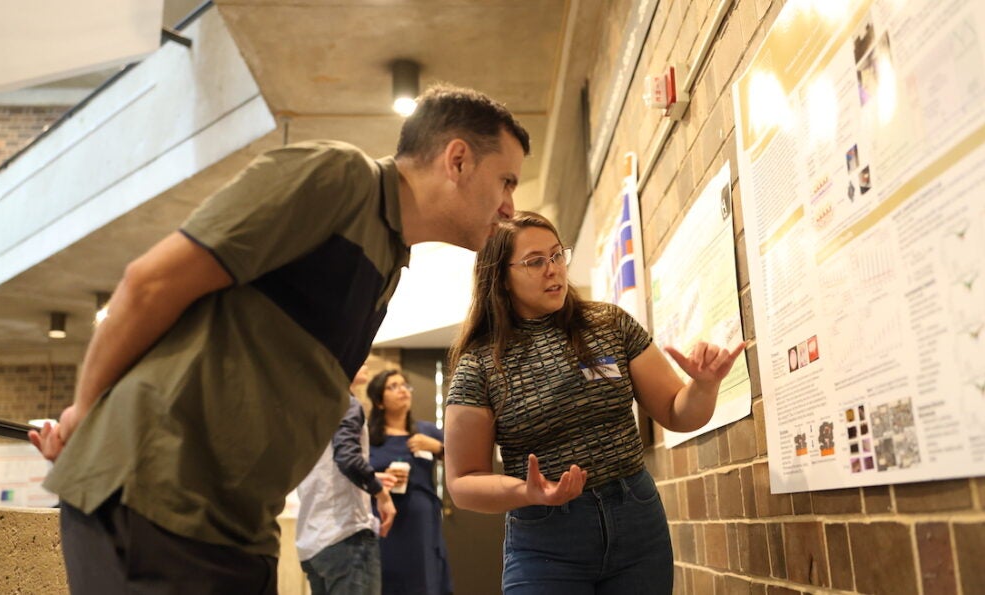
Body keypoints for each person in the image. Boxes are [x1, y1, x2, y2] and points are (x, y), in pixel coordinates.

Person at [27, 84, 529, 592]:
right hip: (152, 496)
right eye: (506, 180)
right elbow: (149, 283)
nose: (510, 206)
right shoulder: (339, 177)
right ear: (458, 160)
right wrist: (83, 414)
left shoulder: (391, 262)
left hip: (239, 526)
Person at [445, 211, 745, 593]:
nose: (553, 269)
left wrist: (703, 386)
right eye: (535, 262)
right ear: (500, 278)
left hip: (635, 520)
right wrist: (528, 492)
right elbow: (463, 482)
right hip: (545, 540)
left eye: (557, 255)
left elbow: (676, 412)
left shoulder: (608, 325)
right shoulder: (480, 363)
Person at [296, 364, 398, 595]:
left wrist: (371, 476)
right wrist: (381, 493)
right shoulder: (346, 403)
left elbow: (325, 464)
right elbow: (347, 458)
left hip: (312, 540)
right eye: (359, 358)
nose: (366, 363)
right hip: (345, 536)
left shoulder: (309, 408)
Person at [366, 369, 453, 595]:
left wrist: (438, 448)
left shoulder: (427, 432)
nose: (402, 390)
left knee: (424, 581)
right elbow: (354, 474)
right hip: (384, 520)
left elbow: (463, 460)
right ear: (379, 401)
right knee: (384, 581)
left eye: (405, 385)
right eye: (393, 386)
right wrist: (382, 478)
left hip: (421, 523)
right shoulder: (368, 437)